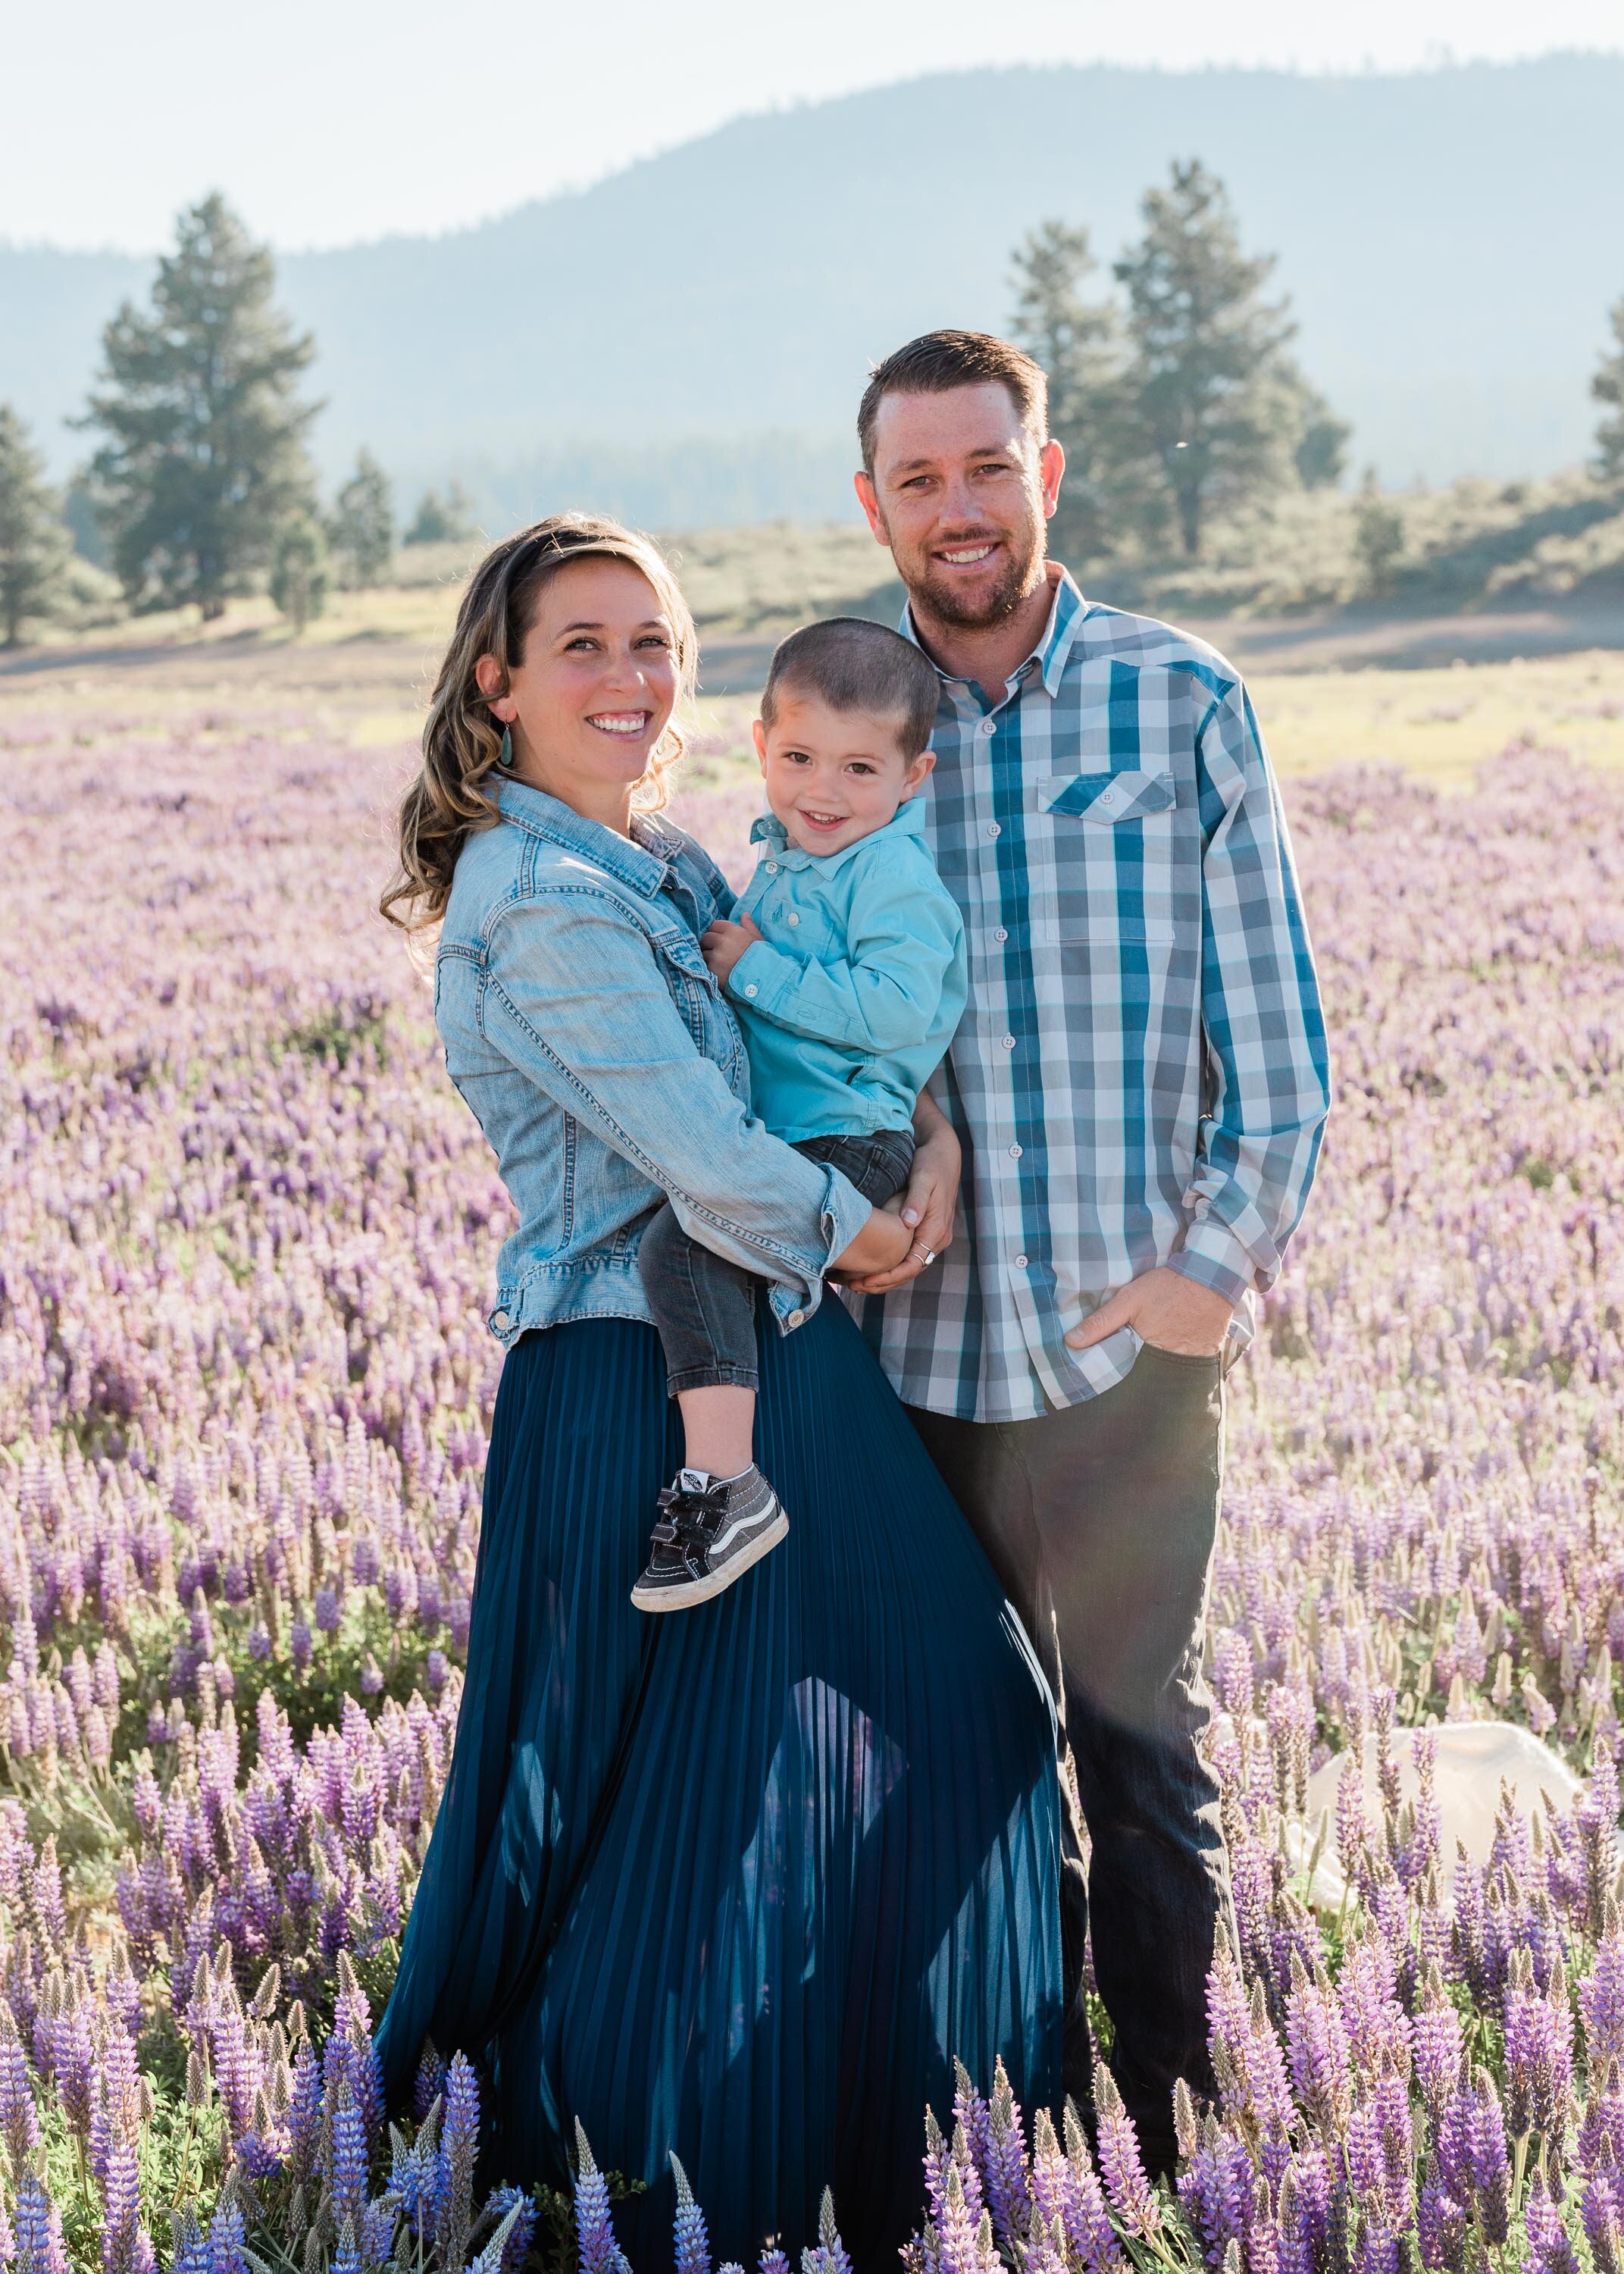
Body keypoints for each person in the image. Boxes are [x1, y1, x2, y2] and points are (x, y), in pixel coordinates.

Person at [372, 512, 1062, 2264]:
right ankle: (647, 2181)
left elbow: (834, 1044)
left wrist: (933, 1157)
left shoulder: (670, 863)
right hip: (643, 1379)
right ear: (496, 680)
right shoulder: (536, 904)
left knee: (946, 1720)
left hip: (764, 1345)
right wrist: (876, 1232)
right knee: (683, 1807)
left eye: (653, 642)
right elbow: (703, 1159)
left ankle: (879, 2158)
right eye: (582, 644)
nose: (627, 676)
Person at [849, 331, 1331, 2175]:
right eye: (919, 479)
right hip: (906, 1372)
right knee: (947, 1779)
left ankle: (1181, 2145)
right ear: (875, 502)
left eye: (987, 469)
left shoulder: (1178, 696)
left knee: (1140, 1763)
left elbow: (1277, 1053)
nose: (956, 510)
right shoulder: (845, 704)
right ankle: (995, 2145)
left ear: (1044, 477)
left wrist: (1209, 1275)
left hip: (1123, 1364)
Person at [631, 616, 965, 1611]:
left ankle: (726, 1485)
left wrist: (760, 971)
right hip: (803, 1132)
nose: (824, 791)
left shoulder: (890, 874)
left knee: (687, 1254)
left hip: (850, 1138)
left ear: (914, 777)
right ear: (760, 747)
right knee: (711, 1264)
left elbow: (902, 1011)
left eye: (861, 769)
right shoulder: (794, 856)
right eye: (801, 758)